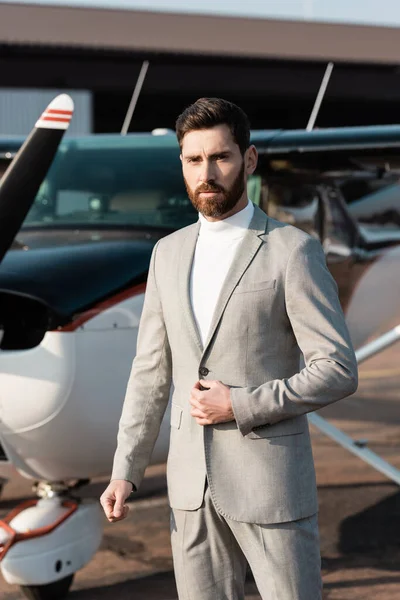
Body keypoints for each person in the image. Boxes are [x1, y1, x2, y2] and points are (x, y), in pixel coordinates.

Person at [100, 97, 358, 599]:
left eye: (220, 157)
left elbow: (337, 368)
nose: (207, 173)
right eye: (194, 160)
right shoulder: (167, 254)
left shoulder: (292, 250)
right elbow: (151, 372)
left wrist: (239, 404)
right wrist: (124, 470)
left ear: (250, 159)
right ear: (181, 163)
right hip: (190, 490)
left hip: (271, 486)